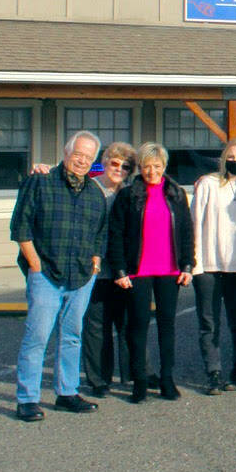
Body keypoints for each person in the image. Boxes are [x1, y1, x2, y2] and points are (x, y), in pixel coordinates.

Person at [9, 131, 108, 422]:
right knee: (37, 337)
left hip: (81, 277)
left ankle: (67, 393)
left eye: (89, 157)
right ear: (66, 153)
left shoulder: (94, 194)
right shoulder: (40, 182)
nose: (83, 161)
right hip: (46, 275)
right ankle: (27, 399)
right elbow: (20, 227)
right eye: (79, 154)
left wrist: (95, 264)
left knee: (72, 337)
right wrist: (35, 264)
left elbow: (99, 234)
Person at [109, 142, 195, 403]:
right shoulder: (128, 195)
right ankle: (140, 382)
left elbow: (186, 232)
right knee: (138, 326)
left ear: (164, 167)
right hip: (138, 271)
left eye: (157, 166)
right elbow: (116, 234)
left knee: (167, 326)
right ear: (140, 168)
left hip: (169, 270)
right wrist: (120, 269)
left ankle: (167, 380)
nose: (152, 171)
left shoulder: (176, 193)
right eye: (146, 166)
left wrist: (188, 264)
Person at [191, 139, 236, 395]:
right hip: (208, 266)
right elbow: (195, 222)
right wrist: (194, 263)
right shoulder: (208, 184)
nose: (235, 160)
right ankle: (213, 372)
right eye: (231, 156)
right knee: (209, 322)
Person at [81, 141, 136, 397]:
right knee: (96, 326)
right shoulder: (89, 188)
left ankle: (131, 375)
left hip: (123, 269)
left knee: (126, 323)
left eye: (125, 166)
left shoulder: (130, 192)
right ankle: (99, 379)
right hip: (95, 269)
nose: (119, 169)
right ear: (105, 162)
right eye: (115, 163)